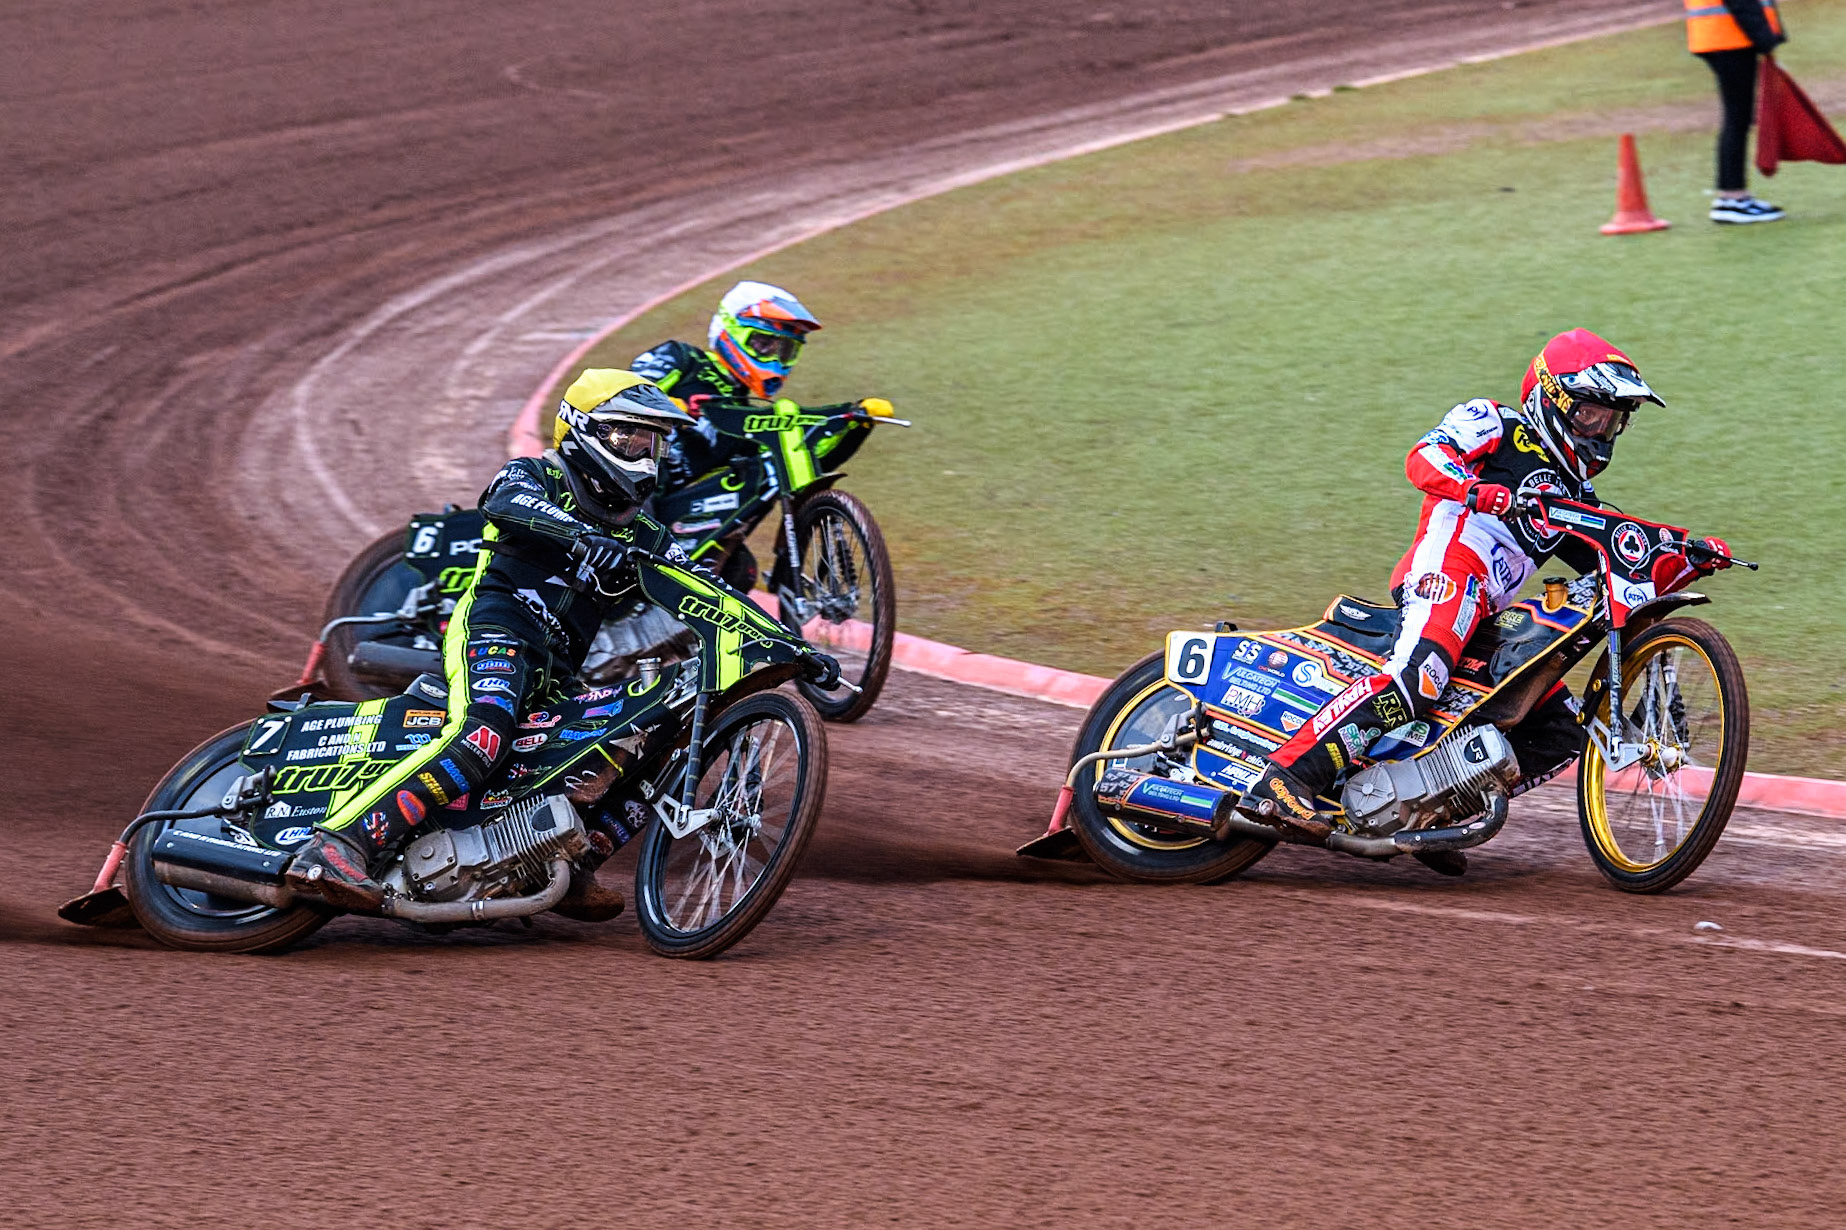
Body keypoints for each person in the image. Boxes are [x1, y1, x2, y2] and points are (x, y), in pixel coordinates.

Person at [1237, 329, 1734, 866]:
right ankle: (1283, 781)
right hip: (1447, 572)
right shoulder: (1495, 421)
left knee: (1558, 733)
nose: (1603, 430)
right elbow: (1424, 458)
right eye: (1592, 414)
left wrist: (1686, 554)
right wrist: (1478, 490)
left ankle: (1426, 812)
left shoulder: (1574, 496)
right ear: (1554, 398)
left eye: (1613, 420)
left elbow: (1613, 556)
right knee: (1419, 676)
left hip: (1488, 613)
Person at [284, 370, 701, 919]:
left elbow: (703, 585)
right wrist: (582, 539)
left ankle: (573, 861)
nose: (645, 456)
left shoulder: (643, 531)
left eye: (653, 443)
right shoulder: (540, 474)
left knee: (641, 738)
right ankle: (338, 845)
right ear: (585, 429)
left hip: (562, 669)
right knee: (484, 732)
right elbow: (504, 504)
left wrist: (790, 648)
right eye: (631, 440)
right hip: (495, 629)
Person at [631, 280, 822, 490]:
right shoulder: (682, 357)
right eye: (764, 344)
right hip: (623, 472)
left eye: (786, 351)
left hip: (669, 508)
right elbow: (626, 392)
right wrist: (672, 407)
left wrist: (853, 419)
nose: (775, 360)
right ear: (730, 328)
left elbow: (801, 450)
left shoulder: (746, 420)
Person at [1688, 0, 1788, 223]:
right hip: (1730, 37)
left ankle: (1732, 197)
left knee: (1738, 117)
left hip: (1720, 36)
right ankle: (1732, 198)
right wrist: (1766, 41)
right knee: (1737, 118)